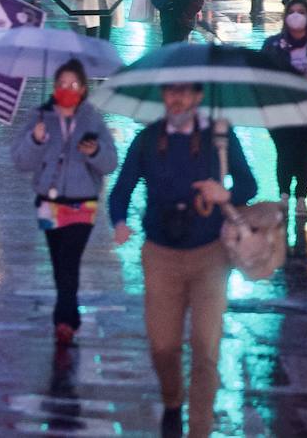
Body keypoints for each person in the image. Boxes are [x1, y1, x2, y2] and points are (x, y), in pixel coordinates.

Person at [108, 83, 256, 438]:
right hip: (160, 256)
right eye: (171, 92)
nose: (177, 99)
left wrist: (227, 193)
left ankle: (199, 430)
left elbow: (249, 184)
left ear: (199, 96)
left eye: (185, 92)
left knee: (206, 348)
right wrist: (120, 221)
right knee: (163, 346)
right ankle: (172, 400)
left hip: (211, 256)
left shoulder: (219, 137)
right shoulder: (147, 139)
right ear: (163, 96)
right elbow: (121, 189)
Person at [10, 59, 118, 345]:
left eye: (73, 85)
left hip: (83, 203)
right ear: (54, 87)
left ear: (83, 88)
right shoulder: (40, 117)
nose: (67, 89)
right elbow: (21, 160)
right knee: (59, 263)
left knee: (70, 259)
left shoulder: (92, 118)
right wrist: (35, 140)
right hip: (48, 202)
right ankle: (69, 312)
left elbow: (110, 162)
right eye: (62, 84)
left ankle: (65, 318)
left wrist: (94, 152)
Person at [262, 0, 307, 217]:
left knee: (304, 154)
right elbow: (262, 75)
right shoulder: (274, 45)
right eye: (291, 12)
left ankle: (301, 198)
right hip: (281, 111)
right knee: (284, 152)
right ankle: (284, 195)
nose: (296, 16)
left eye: (301, 12)